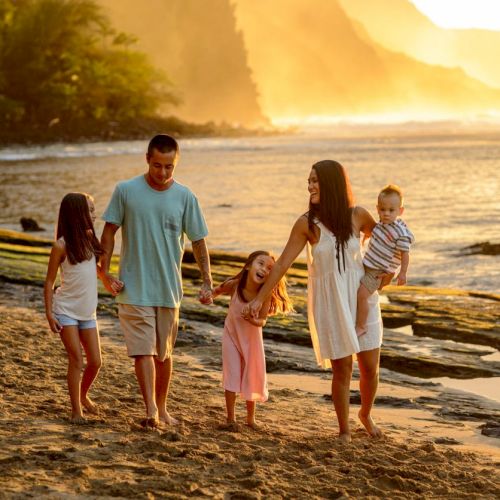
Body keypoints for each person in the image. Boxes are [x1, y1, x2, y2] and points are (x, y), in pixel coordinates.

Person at [245, 160, 386, 444]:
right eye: (308, 181)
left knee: (370, 367)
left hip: (361, 299)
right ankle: (344, 429)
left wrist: (386, 274)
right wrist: (260, 298)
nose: (309, 186)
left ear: (332, 183)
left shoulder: (358, 215)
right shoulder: (306, 224)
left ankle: (366, 414)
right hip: (331, 302)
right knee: (343, 368)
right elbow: (283, 262)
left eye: (315, 181)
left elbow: (384, 239)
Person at [100, 134, 213, 429]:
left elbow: (198, 241)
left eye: (169, 167)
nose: (163, 173)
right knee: (144, 351)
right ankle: (150, 409)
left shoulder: (186, 196)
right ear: (147, 159)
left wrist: (207, 282)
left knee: (163, 354)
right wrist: (105, 272)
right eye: (157, 165)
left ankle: (162, 408)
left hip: (168, 289)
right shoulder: (125, 190)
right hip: (133, 287)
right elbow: (109, 232)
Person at [44, 193, 120, 423]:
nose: (95, 214)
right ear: (77, 213)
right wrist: (49, 313)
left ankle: (84, 395)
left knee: (96, 362)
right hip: (65, 310)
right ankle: (76, 411)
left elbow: (95, 268)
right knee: (76, 360)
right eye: (90, 209)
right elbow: (49, 282)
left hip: (88, 312)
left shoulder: (89, 238)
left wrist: (107, 279)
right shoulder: (61, 246)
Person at [212, 251, 293, 431]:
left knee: (251, 376)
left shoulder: (265, 296)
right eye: (261, 263)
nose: (264, 269)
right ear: (249, 265)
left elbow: (262, 321)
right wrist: (209, 296)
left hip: (252, 343)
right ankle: (231, 418)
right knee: (232, 374)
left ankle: (250, 419)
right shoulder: (236, 285)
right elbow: (217, 290)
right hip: (231, 336)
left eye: (270, 269)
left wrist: (253, 320)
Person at [356, 185, 414, 336]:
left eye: (391, 210)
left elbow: (405, 254)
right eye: (382, 209)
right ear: (377, 208)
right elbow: (378, 235)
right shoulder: (382, 223)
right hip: (368, 265)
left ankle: (361, 326)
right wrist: (367, 238)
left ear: (400, 211)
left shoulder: (400, 233)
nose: (386, 214)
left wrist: (402, 273)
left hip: (378, 272)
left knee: (362, 295)